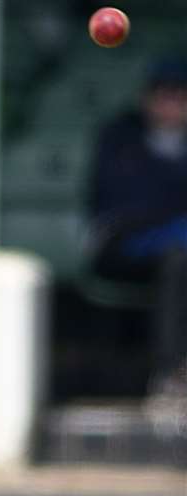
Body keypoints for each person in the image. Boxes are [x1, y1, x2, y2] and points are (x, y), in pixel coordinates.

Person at [88, 57, 187, 394]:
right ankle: (169, 375)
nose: (171, 103)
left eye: (180, 95)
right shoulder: (119, 137)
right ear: (148, 98)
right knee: (178, 261)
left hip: (175, 246)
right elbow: (127, 206)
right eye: (164, 93)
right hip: (125, 247)